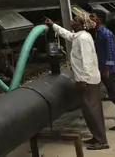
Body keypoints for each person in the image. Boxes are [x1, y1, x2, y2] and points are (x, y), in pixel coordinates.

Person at [45, 16, 109, 150]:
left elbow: (87, 61)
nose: (72, 22)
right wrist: (54, 25)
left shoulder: (83, 39)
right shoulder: (79, 36)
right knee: (88, 111)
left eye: (75, 21)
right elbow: (68, 35)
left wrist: (84, 80)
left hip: (88, 81)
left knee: (92, 111)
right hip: (86, 80)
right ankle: (96, 137)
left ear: (82, 25)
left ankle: (102, 141)